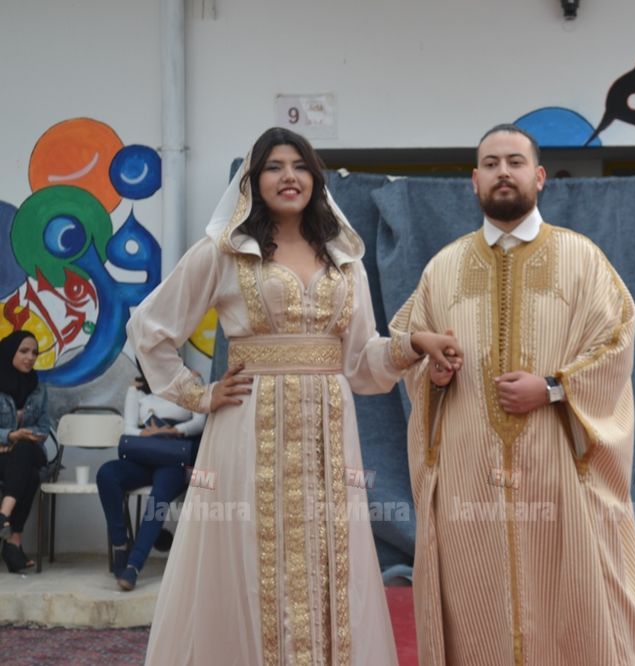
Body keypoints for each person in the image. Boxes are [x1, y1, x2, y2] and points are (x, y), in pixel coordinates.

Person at [127, 127, 461, 665]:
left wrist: (413, 344)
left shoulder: (343, 258)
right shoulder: (226, 251)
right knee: (251, 550)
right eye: (274, 166)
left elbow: (360, 362)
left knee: (331, 554)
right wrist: (199, 394)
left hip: (329, 432)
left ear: (315, 179)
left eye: (300, 166)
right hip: (247, 429)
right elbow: (151, 328)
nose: (289, 176)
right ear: (253, 181)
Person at [390, 124, 635, 665]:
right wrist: (434, 375)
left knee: (571, 602)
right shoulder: (442, 268)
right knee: (475, 603)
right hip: (469, 474)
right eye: (490, 164)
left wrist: (552, 387)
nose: (502, 172)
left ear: (540, 176)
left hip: (558, 467)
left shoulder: (582, 259)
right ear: (474, 181)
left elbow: (617, 342)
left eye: (514, 162)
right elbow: (407, 347)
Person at [96, 364, 206, 591]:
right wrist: (145, 433)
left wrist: (171, 431)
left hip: (174, 460)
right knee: (107, 474)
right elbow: (128, 428)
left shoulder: (191, 382)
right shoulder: (137, 388)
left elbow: (199, 423)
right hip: (144, 456)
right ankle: (120, 545)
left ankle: (134, 566)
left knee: (159, 496)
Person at [0, 330, 51, 573]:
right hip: (4, 457)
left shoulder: (38, 388)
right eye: (24, 351)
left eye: (34, 353)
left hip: (29, 450)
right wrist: (10, 435)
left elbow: (44, 427)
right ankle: (14, 543)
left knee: (24, 450)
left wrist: (22, 436)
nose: (30, 357)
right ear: (10, 352)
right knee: (30, 475)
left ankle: (3, 515)